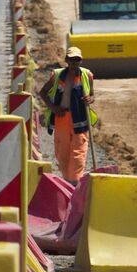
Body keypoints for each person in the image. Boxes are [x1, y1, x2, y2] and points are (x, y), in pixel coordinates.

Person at [39, 46, 96, 181]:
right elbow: (43, 92)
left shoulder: (87, 75)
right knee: (62, 154)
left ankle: (74, 184)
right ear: (66, 60)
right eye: (71, 60)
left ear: (81, 61)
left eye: (77, 60)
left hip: (80, 120)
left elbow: (92, 94)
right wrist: (53, 108)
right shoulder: (57, 76)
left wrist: (90, 99)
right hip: (62, 119)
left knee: (78, 154)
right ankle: (67, 181)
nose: (74, 63)